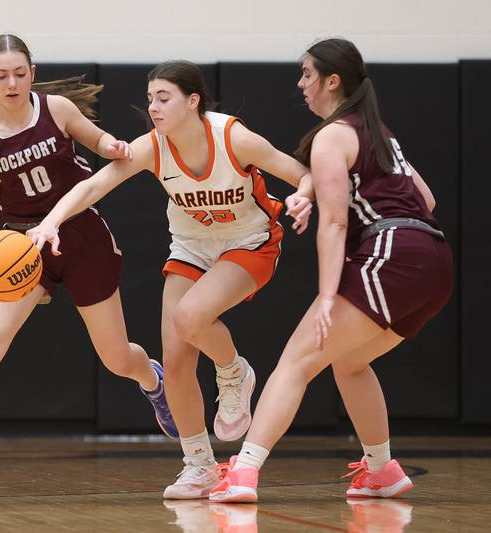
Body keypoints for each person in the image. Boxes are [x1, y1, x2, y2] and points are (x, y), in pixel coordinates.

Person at [0, 33, 176, 496]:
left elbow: (98, 140)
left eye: (20, 73)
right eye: (1, 76)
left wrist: (113, 145)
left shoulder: (56, 110)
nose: (12, 83)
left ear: (32, 73)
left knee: (116, 358)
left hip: (79, 234)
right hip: (22, 246)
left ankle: (152, 379)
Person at [26, 60, 314, 499]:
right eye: (150, 99)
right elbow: (93, 186)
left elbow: (300, 173)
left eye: (164, 98)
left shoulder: (233, 138)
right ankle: (200, 465)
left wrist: (304, 196)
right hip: (191, 247)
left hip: (249, 241)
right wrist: (51, 221)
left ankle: (233, 371)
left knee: (190, 317)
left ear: (193, 100)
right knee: (176, 362)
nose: (153, 107)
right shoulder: (152, 147)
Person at [209, 37, 454, 502]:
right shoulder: (377, 132)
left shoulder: (331, 135)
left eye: (307, 74)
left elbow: (337, 222)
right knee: (349, 362)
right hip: (435, 261)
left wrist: (327, 296)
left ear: (332, 80)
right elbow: (426, 198)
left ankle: (243, 472)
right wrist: (311, 194)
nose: (301, 84)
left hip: (392, 254)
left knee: (296, 361)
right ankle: (382, 470)